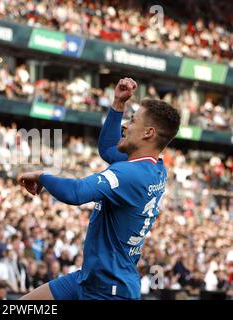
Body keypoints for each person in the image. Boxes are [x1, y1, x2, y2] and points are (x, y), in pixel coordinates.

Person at [18, 77, 181, 300]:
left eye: (132, 121)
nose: (125, 125)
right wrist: (118, 105)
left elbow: (75, 193)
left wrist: (42, 176)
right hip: (90, 279)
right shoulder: (152, 167)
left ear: (148, 133)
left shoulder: (129, 175)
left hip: (109, 291)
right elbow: (107, 148)